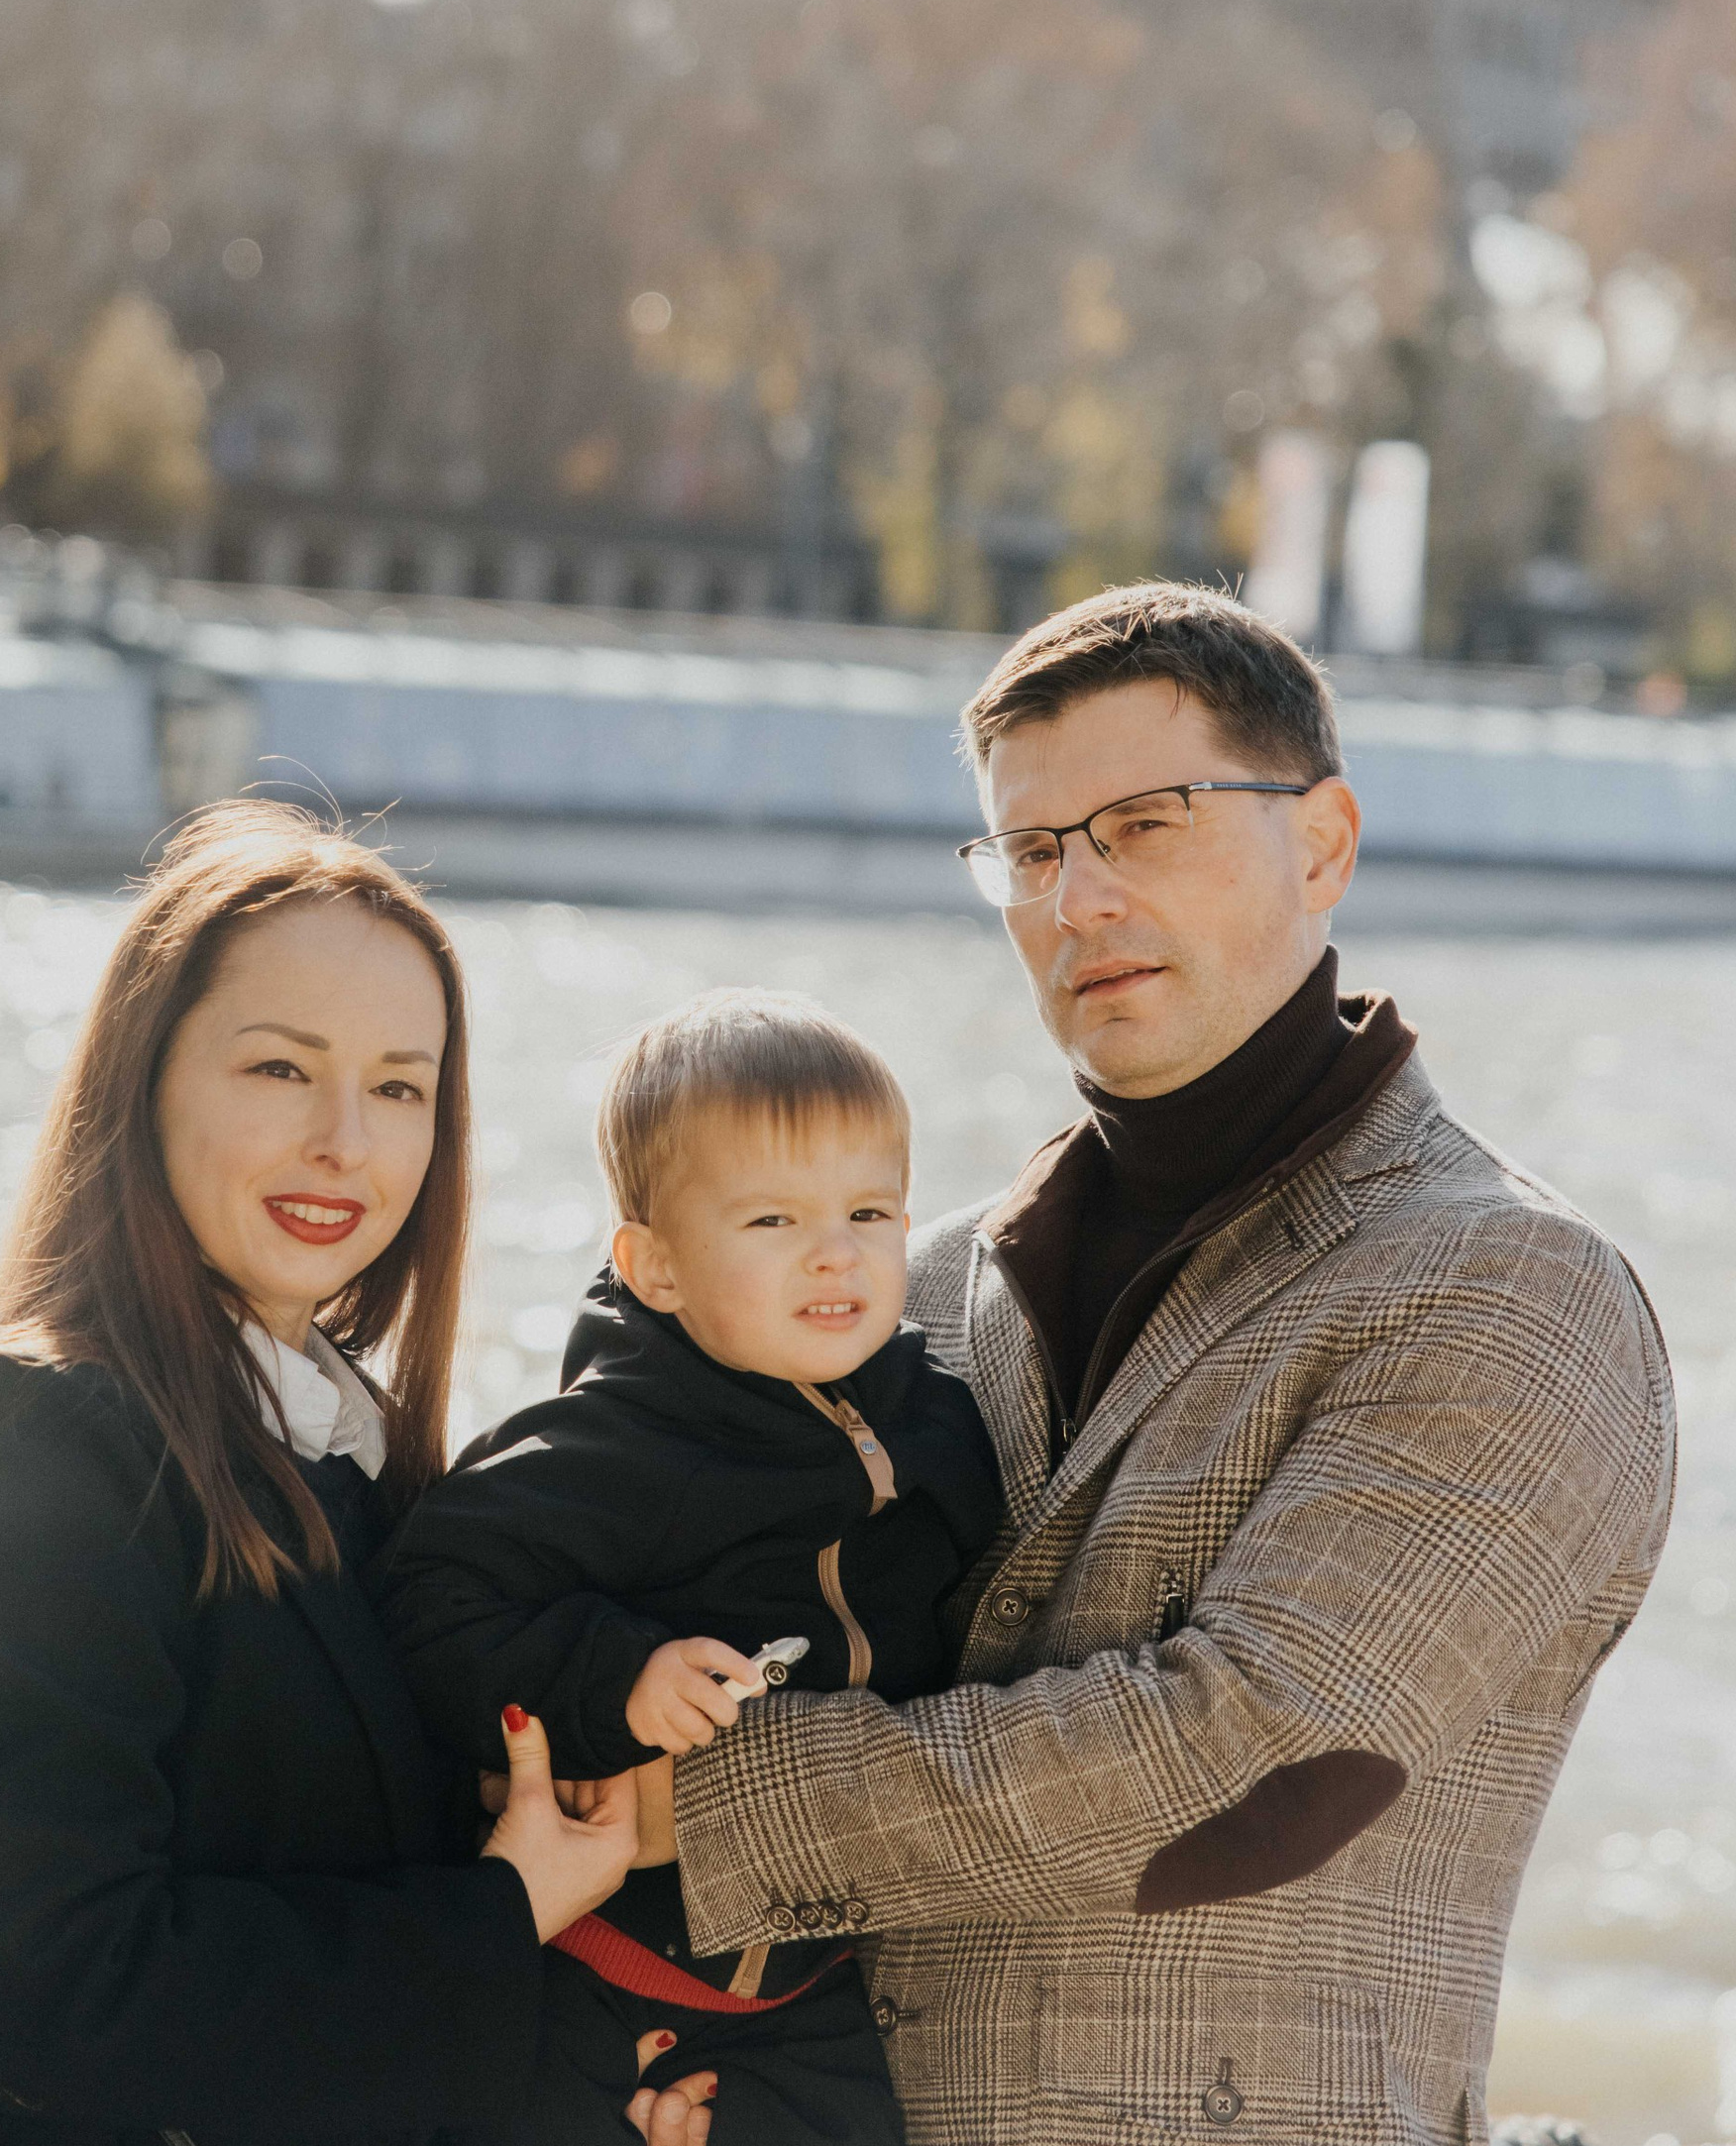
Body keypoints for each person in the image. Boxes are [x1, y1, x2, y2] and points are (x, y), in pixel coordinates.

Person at [632, 583, 1677, 2146]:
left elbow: (1247, 1760)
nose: (1079, 900)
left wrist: (684, 1813)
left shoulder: (1512, 1288)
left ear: (1322, 843)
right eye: (1035, 850)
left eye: (1144, 823)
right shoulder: (903, 1284)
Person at [0, 803, 635, 2146]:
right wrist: (498, 1914)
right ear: (143, 1081)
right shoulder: (27, 1443)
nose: (346, 1144)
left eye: (398, 1087)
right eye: (277, 1070)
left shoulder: (385, 1469)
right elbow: (53, 2000)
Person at [382, 991, 1003, 2144]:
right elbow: (432, 1600)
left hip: (802, 1995)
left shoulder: (938, 1425)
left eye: (870, 1209)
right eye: (771, 1220)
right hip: (589, 1971)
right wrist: (616, 1676)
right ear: (656, 1267)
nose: (836, 1249)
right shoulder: (611, 1445)